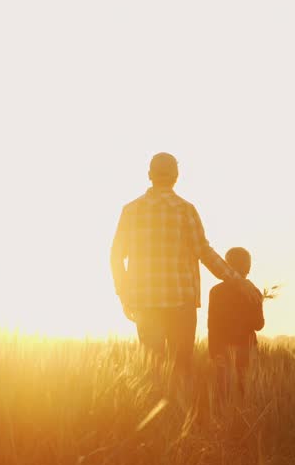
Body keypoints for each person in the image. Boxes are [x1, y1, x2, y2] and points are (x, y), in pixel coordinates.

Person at [110, 153, 261, 374]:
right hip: (181, 303)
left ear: (149, 175)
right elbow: (205, 253)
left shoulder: (130, 211)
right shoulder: (185, 210)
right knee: (180, 370)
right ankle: (179, 408)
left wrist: (124, 293)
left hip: (144, 301)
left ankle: (157, 408)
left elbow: (115, 256)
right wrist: (239, 281)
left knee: (153, 371)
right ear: (176, 176)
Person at [207, 247, 264, 397]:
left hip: (222, 349)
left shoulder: (216, 291)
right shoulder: (254, 292)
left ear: (226, 265)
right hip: (247, 348)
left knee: (223, 392)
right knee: (245, 391)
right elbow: (259, 325)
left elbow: (212, 325)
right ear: (248, 267)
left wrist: (214, 351)